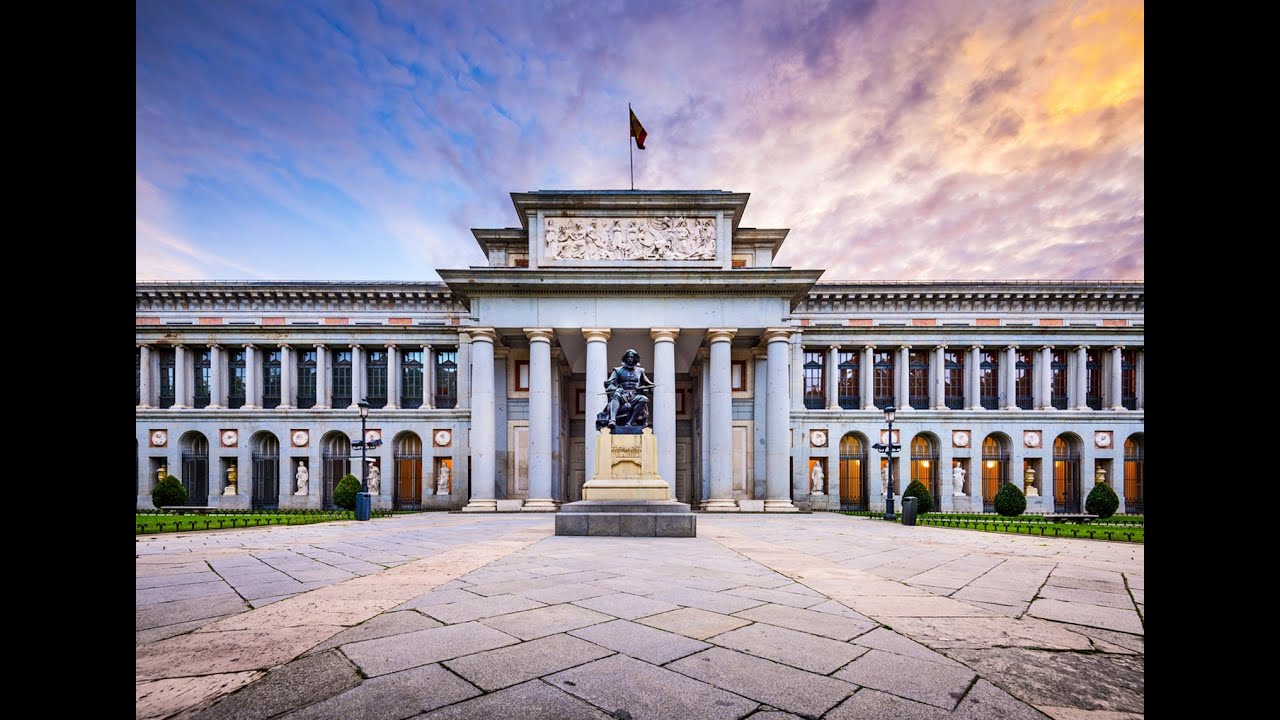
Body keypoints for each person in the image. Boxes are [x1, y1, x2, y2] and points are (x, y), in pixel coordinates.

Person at [595, 349, 655, 429]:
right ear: (625, 358)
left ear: (635, 359)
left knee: (643, 399)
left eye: (632, 357)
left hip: (634, 396)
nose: (630, 358)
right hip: (622, 395)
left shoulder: (640, 371)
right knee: (616, 395)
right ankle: (612, 420)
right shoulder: (618, 370)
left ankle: (630, 422)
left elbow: (648, 383)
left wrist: (651, 387)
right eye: (628, 357)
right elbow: (609, 384)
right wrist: (616, 389)